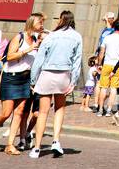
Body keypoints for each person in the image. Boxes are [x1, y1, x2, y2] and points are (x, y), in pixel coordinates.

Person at [0, 13, 44, 154]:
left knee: (20, 111)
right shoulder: (19, 37)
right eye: (40, 23)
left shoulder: (35, 38)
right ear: (32, 23)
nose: (42, 25)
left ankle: (10, 145)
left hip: (25, 79)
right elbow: (9, 57)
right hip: (11, 78)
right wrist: (29, 49)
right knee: (6, 113)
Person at [29, 10, 83, 159]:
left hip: (47, 74)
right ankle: (56, 141)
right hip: (64, 75)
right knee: (59, 109)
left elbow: (39, 59)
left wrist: (33, 80)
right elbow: (77, 61)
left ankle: (37, 148)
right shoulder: (77, 36)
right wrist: (74, 81)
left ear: (61, 20)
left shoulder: (51, 35)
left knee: (43, 112)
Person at [95, 17, 119, 116]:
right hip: (118, 65)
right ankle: (109, 110)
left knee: (103, 87)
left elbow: (102, 52)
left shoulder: (107, 38)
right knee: (114, 88)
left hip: (107, 64)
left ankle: (100, 109)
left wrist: (99, 64)